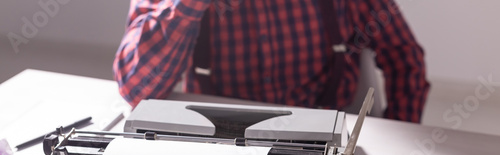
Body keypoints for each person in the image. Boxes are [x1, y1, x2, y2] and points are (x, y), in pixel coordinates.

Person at [113, 0, 430, 123]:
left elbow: (405, 58)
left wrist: (399, 142)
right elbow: (137, 88)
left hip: (323, 134)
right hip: (219, 143)